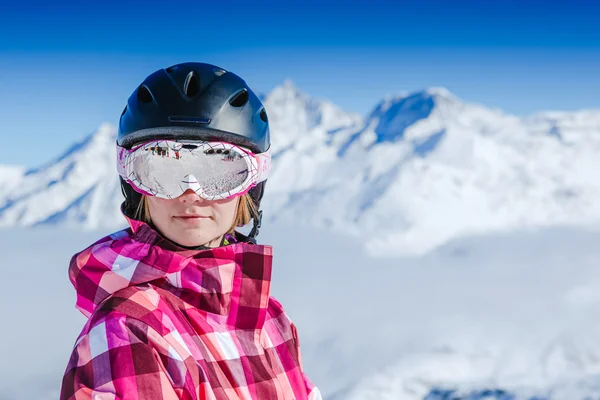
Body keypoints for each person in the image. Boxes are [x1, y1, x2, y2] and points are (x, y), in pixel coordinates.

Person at [60, 62, 322, 400]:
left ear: (251, 185)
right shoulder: (128, 330)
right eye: (164, 170)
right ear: (136, 186)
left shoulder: (270, 318)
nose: (192, 193)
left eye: (220, 171)